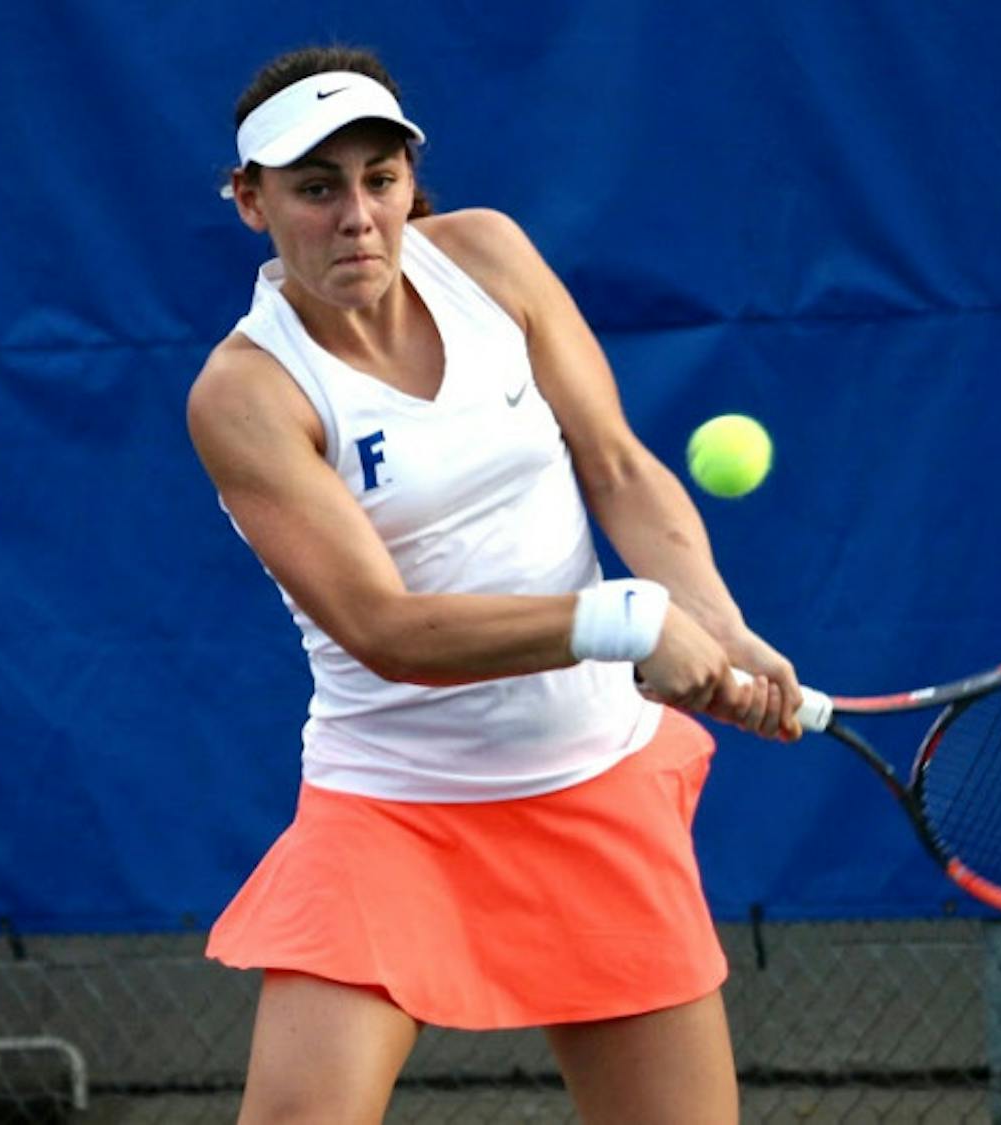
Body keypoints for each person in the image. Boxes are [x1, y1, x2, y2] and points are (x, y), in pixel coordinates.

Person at [187, 44, 804, 1124]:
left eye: (379, 180)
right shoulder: (245, 393)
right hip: (392, 806)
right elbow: (389, 630)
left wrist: (718, 619)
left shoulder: (489, 258)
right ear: (251, 203)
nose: (357, 218)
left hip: (592, 781)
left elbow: (613, 460)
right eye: (316, 189)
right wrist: (628, 620)